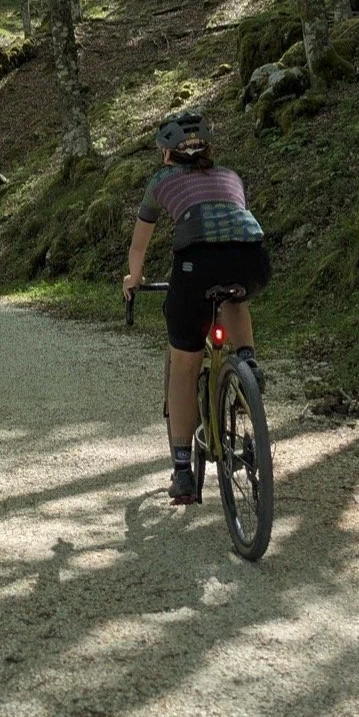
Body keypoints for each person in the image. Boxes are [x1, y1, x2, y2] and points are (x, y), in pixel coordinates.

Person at [122, 111, 269, 505]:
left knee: (184, 366)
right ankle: (248, 367)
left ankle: (184, 473)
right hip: (253, 259)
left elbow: (139, 246)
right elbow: (232, 227)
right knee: (235, 295)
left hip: (196, 266)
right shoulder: (231, 177)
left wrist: (133, 279)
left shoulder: (162, 182)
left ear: (167, 154)